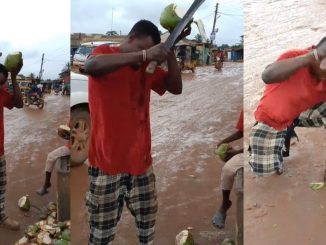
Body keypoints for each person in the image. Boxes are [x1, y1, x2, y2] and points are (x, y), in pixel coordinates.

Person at [84, 19, 190, 244]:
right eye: (142, 48)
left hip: (141, 164)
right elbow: (92, 67)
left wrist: (170, 50)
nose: (146, 55)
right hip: (106, 165)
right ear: (131, 38)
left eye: (149, 51)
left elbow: (176, 88)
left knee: (147, 227)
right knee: (101, 234)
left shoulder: (146, 68)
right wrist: (144, 55)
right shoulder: (104, 52)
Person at [249, 37, 326, 176]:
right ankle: (283, 134)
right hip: (273, 117)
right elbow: (267, 75)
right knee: (266, 171)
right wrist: (308, 58)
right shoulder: (295, 57)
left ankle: (290, 128)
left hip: (302, 111)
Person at [0, 62, 23, 230]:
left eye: (2, 82)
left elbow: (19, 104)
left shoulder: (1, 93)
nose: (1, 85)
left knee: (0, 186)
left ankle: (0, 216)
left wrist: (14, 78)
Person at [212, 110, 243, 229]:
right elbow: (241, 131)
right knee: (227, 169)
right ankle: (225, 203)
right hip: (248, 151)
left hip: (260, 149)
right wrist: (224, 141)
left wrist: (236, 152)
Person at [36, 124, 70, 195]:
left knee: (50, 157)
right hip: (79, 146)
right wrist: (63, 133)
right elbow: (68, 132)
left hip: (73, 147)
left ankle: (47, 183)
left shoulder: (76, 117)